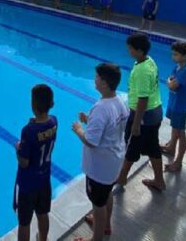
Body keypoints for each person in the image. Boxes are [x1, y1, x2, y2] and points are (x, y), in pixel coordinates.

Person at [72, 63, 129, 241]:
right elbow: (110, 127)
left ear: (104, 83)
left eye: (96, 77)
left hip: (100, 167)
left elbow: (91, 141)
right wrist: (89, 120)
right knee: (107, 195)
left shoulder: (101, 107)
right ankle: (105, 226)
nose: (94, 80)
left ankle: (96, 237)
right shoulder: (119, 101)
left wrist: (79, 129)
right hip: (114, 161)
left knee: (98, 204)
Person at [116, 34, 165, 191]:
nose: (128, 51)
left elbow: (142, 99)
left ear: (138, 50)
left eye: (130, 49)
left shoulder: (142, 70)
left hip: (144, 116)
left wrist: (136, 124)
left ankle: (121, 179)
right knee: (152, 147)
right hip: (155, 112)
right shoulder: (149, 61)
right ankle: (159, 180)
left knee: (131, 147)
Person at [14, 84, 56, 241]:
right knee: (42, 213)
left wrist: (18, 148)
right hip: (44, 179)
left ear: (32, 105)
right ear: (51, 104)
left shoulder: (28, 131)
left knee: (24, 222)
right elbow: (43, 133)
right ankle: (43, 239)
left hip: (28, 184)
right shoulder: (53, 122)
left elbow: (24, 162)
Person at [161, 41, 186, 173]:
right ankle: (171, 148)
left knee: (181, 132)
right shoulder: (178, 67)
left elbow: (172, 84)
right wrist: (170, 82)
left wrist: (169, 82)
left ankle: (178, 162)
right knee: (175, 128)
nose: (173, 57)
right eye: (173, 54)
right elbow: (170, 80)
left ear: (184, 56)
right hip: (175, 103)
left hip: (180, 106)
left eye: (176, 54)